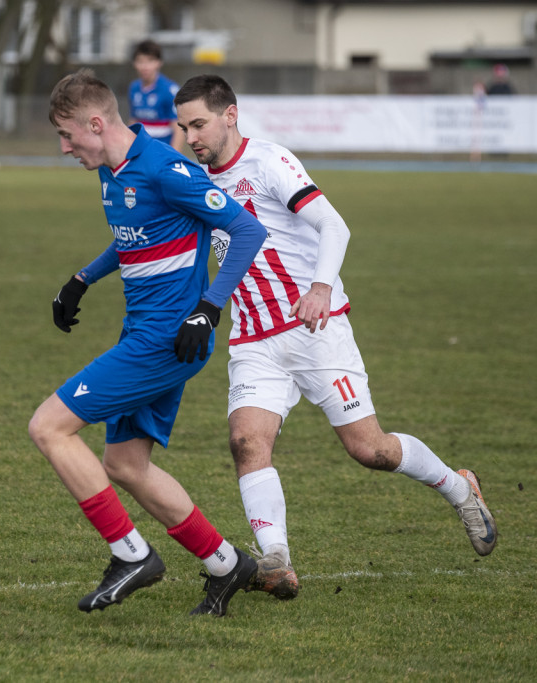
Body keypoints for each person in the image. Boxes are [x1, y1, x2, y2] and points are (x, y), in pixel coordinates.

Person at [172, 74, 498, 600]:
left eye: (199, 124)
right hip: (254, 338)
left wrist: (321, 287)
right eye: (184, 126)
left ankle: (460, 487)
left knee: (371, 451)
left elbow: (335, 226)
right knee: (246, 441)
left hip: (315, 329)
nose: (191, 136)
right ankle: (277, 563)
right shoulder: (194, 177)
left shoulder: (272, 162)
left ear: (230, 114)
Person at [28, 69, 268, 617]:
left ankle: (130, 553)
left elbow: (248, 231)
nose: (64, 148)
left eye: (67, 136)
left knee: (49, 427)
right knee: (126, 464)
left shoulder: (167, 168)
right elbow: (132, 235)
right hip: (143, 332)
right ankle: (229, 566)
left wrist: (208, 310)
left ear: (95, 123)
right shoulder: (113, 170)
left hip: (169, 339)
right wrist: (82, 279)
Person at [128, 40, 186, 152]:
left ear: (159, 63)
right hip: (141, 151)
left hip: (162, 152)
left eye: (150, 61)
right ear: (134, 63)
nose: (145, 66)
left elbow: (178, 128)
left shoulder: (170, 90)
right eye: (140, 61)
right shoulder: (134, 88)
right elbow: (133, 121)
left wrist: (173, 156)